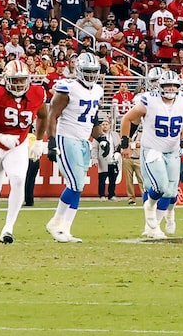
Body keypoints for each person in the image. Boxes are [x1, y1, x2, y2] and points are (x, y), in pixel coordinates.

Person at [0, 54, 44, 243]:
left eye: (22, 80)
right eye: (15, 80)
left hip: (18, 145)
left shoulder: (37, 93)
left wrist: (39, 140)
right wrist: (0, 136)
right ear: (6, 80)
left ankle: (8, 228)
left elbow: (44, 115)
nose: (19, 84)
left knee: (19, 180)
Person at [41, 50, 107, 243]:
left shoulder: (97, 90)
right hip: (66, 137)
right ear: (78, 70)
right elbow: (52, 115)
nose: (91, 75)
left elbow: (92, 118)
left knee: (77, 186)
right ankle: (58, 225)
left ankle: (63, 227)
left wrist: (101, 138)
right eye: (87, 71)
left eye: (93, 71)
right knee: (76, 184)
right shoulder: (67, 88)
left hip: (83, 140)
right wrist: (51, 142)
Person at [119, 69, 183, 240]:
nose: (171, 89)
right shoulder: (148, 100)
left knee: (171, 192)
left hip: (172, 150)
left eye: (174, 86)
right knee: (160, 186)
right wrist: (125, 144)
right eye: (167, 85)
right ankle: (149, 209)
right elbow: (127, 119)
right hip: (152, 149)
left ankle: (154, 226)